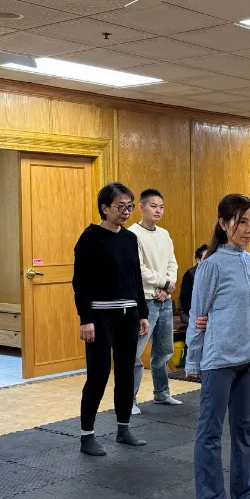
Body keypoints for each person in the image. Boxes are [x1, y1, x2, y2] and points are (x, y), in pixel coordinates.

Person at [184, 194, 250, 499]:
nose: (248, 229)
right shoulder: (211, 266)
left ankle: (246, 493)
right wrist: (193, 361)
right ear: (223, 224)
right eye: (241, 222)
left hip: (248, 357)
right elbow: (197, 314)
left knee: (244, 428)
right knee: (210, 431)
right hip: (218, 359)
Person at [73, 182, 151, 454]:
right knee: (99, 373)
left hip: (128, 314)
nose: (126, 211)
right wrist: (86, 319)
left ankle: (123, 428)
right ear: (105, 208)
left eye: (129, 206)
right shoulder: (90, 238)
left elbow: (135, 279)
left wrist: (142, 313)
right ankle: (87, 435)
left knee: (126, 371)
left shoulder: (130, 238)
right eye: (121, 206)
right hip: (99, 315)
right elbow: (80, 283)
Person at [130, 188, 182, 410]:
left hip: (164, 300)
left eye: (161, 206)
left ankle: (161, 392)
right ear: (141, 207)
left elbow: (173, 263)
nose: (158, 210)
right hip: (146, 302)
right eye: (153, 206)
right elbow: (138, 269)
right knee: (135, 352)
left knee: (164, 351)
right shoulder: (132, 234)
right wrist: (162, 283)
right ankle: (128, 400)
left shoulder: (164, 234)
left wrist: (167, 287)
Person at [179, 245, 209, 326]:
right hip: (188, 312)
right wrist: (197, 316)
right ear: (198, 260)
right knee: (199, 325)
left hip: (207, 314)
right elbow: (185, 300)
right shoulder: (189, 274)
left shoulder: (212, 273)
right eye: (206, 258)